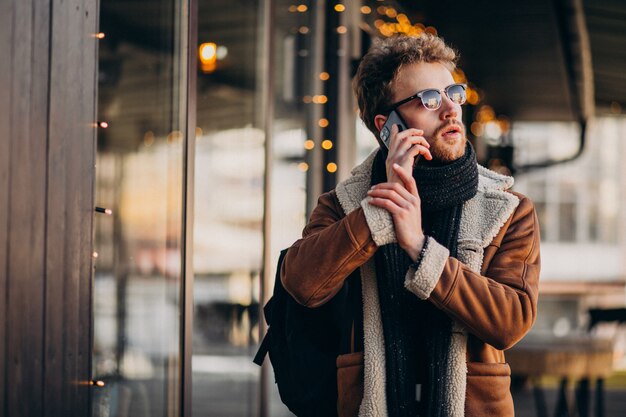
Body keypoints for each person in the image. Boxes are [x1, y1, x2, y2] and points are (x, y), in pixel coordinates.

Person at [281, 34, 540, 417]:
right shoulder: (345, 205)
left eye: (453, 92)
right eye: (430, 100)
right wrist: (376, 213)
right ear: (388, 126)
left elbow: (511, 320)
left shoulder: (507, 208)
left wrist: (420, 248)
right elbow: (301, 284)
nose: (451, 110)